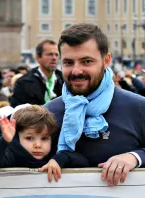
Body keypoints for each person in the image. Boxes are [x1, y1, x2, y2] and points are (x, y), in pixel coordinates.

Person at [44, 23, 145, 186]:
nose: (76, 71)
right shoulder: (48, 113)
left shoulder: (138, 107)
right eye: (68, 62)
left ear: (106, 61)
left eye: (86, 61)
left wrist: (136, 157)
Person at [0, 105, 89, 182]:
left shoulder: (55, 153)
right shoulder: (13, 154)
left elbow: (84, 161)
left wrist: (60, 159)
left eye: (44, 138)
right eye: (29, 138)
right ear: (18, 137)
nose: (38, 145)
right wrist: (4, 141)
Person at [10, 40, 64, 107]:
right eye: (50, 54)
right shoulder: (24, 82)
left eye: (56, 54)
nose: (54, 58)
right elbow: (17, 110)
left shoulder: (64, 80)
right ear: (38, 57)